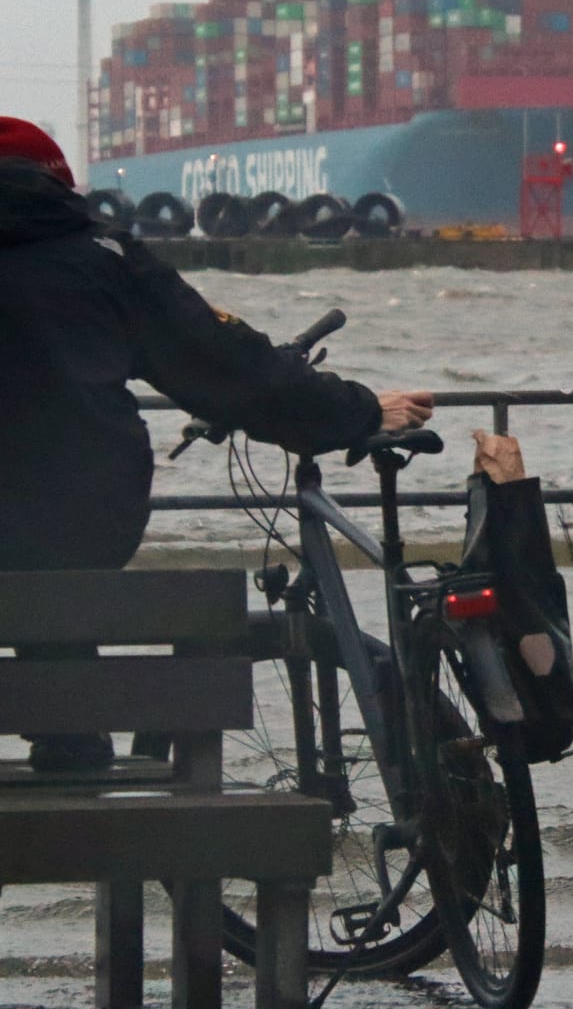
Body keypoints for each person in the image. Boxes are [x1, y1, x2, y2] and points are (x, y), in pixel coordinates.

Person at [0, 117, 434, 770]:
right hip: (76, 529)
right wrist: (357, 410)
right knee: (54, 567)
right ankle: (74, 753)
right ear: (60, 184)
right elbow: (232, 368)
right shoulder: (102, 261)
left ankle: (70, 739)